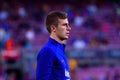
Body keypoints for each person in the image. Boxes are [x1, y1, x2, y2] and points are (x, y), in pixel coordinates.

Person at [36, 11, 71, 80]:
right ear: (53, 28)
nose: (69, 28)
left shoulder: (60, 50)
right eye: (64, 25)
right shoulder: (47, 51)